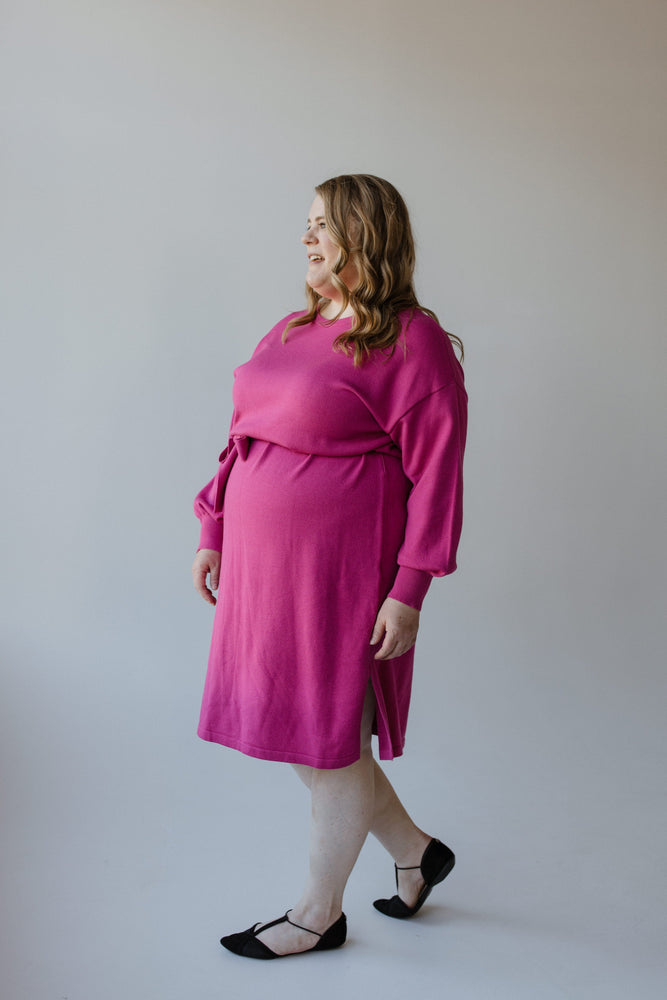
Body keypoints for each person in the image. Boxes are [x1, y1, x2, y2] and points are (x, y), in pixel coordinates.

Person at [191, 173, 467, 959]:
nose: (306, 238)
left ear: (364, 237)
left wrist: (409, 588)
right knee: (309, 729)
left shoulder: (409, 342)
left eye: (322, 225)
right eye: (305, 224)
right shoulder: (290, 329)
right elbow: (241, 436)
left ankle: (319, 913)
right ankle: (416, 853)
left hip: (341, 572)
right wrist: (214, 524)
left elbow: (438, 475)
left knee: (333, 737)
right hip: (262, 568)